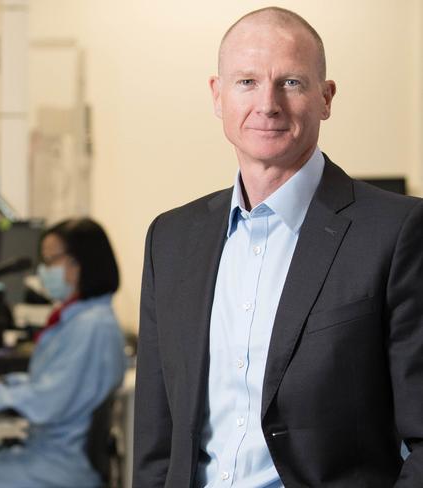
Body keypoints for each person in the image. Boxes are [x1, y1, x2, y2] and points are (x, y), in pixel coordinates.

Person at [133, 6, 423, 487]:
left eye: (291, 82)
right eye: (246, 81)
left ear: (326, 98)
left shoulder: (397, 233)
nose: (267, 104)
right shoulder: (171, 239)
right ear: (217, 95)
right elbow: (156, 444)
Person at [0, 218, 126, 487]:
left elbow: (45, 401)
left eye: (49, 260)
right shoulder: (84, 320)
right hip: (53, 458)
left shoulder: (92, 327)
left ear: (79, 264)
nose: (43, 271)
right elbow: (50, 384)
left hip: (58, 468)